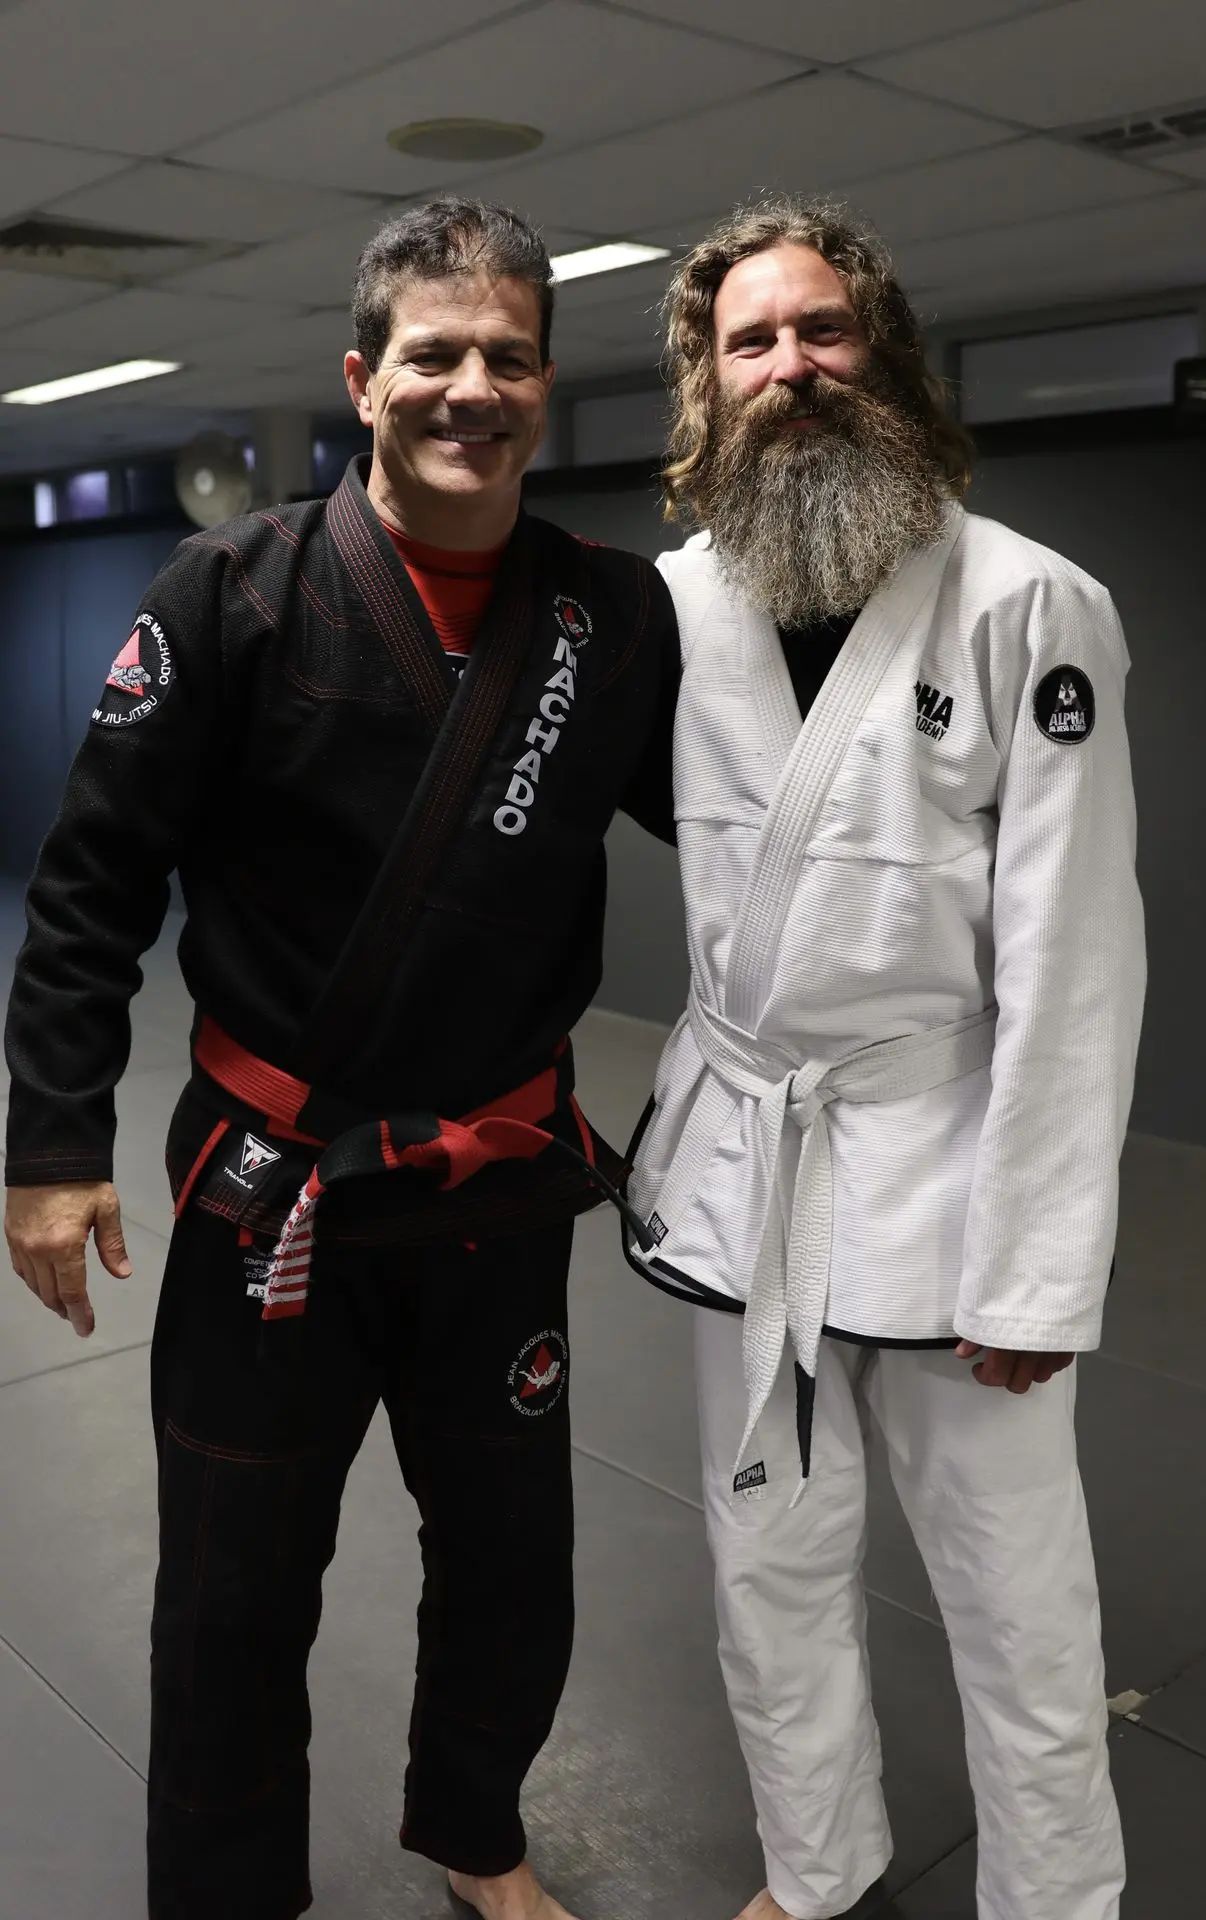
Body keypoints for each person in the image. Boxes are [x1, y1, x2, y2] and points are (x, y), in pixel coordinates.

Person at [4, 198, 677, 1920]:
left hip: (498, 1188)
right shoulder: (234, 593)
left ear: (545, 382)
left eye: (508, 357)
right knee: (233, 1593)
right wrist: (53, 1145)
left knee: (516, 1569)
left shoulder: (611, 620)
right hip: (270, 1193)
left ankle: (476, 1834)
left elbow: (741, 831)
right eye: (435, 356)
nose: (474, 387)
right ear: (365, 379)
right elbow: (92, 884)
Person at [625, 197, 1145, 1920]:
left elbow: (1077, 974)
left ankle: (1056, 1901)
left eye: (822, 331)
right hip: (747, 1170)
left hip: (950, 1175)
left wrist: (1041, 1277)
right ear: (707, 385)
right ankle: (817, 1866)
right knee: (768, 1566)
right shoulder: (670, 613)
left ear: (885, 354)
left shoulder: (1031, 607)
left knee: (1018, 1604)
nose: (792, 368)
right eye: (750, 343)